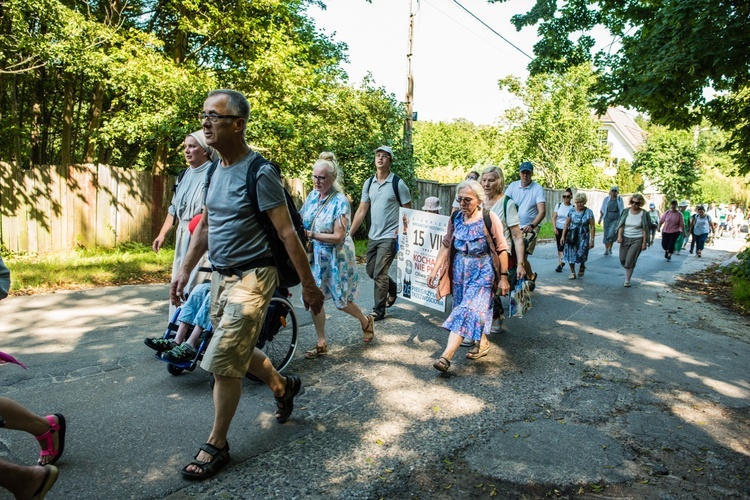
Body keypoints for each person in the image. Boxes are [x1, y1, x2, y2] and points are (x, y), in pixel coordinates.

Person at [170, 89, 324, 481]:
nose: (206, 122)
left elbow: (288, 234)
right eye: (204, 114)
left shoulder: (260, 171)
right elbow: (206, 225)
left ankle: (217, 443)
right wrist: (185, 269)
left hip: (256, 276)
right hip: (221, 276)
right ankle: (282, 385)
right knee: (237, 348)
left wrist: (308, 285)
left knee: (223, 359)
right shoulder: (213, 170)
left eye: (215, 116)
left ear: (237, 124)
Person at [426, 180, 510, 374]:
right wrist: (434, 269)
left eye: (468, 200)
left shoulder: (490, 218)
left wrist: (504, 277)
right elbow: (447, 244)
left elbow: (502, 248)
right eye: (460, 199)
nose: (463, 203)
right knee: (470, 310)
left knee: (467, 309)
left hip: (483, 272)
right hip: (459, 273)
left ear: (479, 200)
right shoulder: (455, 217)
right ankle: (483, 343)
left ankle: (446, 356)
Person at [300, 152, 374, 358]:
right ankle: (321, 341)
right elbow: (301, 219)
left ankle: (366, 321)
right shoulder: (312, 196)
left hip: (336, 257)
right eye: (314, 176)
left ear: (332, 178)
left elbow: (338, 236)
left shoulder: (340, 201)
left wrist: (311, 234)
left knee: (341, 302)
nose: (317, 181)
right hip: (316, 256)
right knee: (315, 299)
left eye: (322, 177)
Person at [153, 130, 219, 318]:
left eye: (192, 146)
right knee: (178, 280)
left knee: (194, 283)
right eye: (185, 147)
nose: (187, 151)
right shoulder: (183, 176)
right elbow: (174, 210)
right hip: (182, 235)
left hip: (201, 233)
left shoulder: (213, 174)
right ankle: (176, 330)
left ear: (205, 150)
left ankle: (191, 333)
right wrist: (162, 234)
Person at [349, 146, 412, 321]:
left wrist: (402, 231)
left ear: (390, 161)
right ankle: (392, 289)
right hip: (373, 235)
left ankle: (379, 310)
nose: (380, 158)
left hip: (390, 236)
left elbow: (407, 211)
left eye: (384, 156)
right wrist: (350, 234)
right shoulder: (369, 183)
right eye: (378, 155)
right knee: (371, 270)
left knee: (379, 272)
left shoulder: (397, 183)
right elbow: (362, 210)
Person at [480, 166, 527, 334]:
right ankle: (494, 315)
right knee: (484, 288)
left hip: (500, 255)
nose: (486, 184)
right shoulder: (477, 201)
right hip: (479, 254)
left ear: (499, 182)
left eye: (491, 180)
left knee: (488, 288)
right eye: (484, 180)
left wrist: (521, 263)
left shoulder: (507, 203)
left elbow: (517, 236)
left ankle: (495, 315)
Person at [504, 161, 546, 289]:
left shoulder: (537, 188)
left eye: (528, 173)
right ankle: (530, 276)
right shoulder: (513, 186)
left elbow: (542, 211)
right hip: (513, 225)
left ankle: (520, 283)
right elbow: (504, 203)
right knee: (512, 253)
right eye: (523, 172)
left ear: (531, 174)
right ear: (520, 173)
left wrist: (532, 225)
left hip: (529, 227)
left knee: (522, 255)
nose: (525, 175)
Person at [616, 193, 650, 287]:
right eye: (633, 202)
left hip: (637, 239)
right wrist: (619, 236)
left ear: (641, 204)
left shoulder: (644, 214)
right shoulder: (626, 211)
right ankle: (628, 266)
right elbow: (621, 224)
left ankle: (627, 280)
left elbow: (645, 229)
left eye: (637, 203)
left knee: (630, 260)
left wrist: (644, 243)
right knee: (622, 259)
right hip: (625, 238)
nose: (634, 205)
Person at [561, 192, 595, 279]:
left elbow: (592, 227)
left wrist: (592, 240)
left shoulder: (589, 212)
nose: (579, 204)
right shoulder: (571, 211)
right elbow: (566, 224)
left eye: (581, 202)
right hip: (572, 235)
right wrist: (563, 236)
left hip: (583, 236)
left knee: (581, 254)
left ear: (584, 202)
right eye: (578, 202)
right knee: (571, 254)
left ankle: (582, 265)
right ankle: (572, 272)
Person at [552, 188, 574, 271]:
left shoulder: (573, 208)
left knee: (565, 246)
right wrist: (554, 228)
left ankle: (561, 263)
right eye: (564, 196)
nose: (566, 198)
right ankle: (560, 263)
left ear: (571, 197)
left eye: (568, 196)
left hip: (568, 230)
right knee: (559, 246)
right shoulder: (558, 205)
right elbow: (554, 218)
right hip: (559, 228)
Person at [599, 186, 624, 256]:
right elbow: (602, 209)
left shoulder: (619, 199)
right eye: (612, 191)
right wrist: (600, 218)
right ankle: (607, 249)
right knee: (606, 233)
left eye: (615, 191)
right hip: (607, 217)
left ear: (617, 192)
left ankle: (610, 247)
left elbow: (622, 209)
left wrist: (622, 219)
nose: (614, 192)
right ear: (610, 191)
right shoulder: (606, 199)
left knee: (611, 233)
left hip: (616, 217)